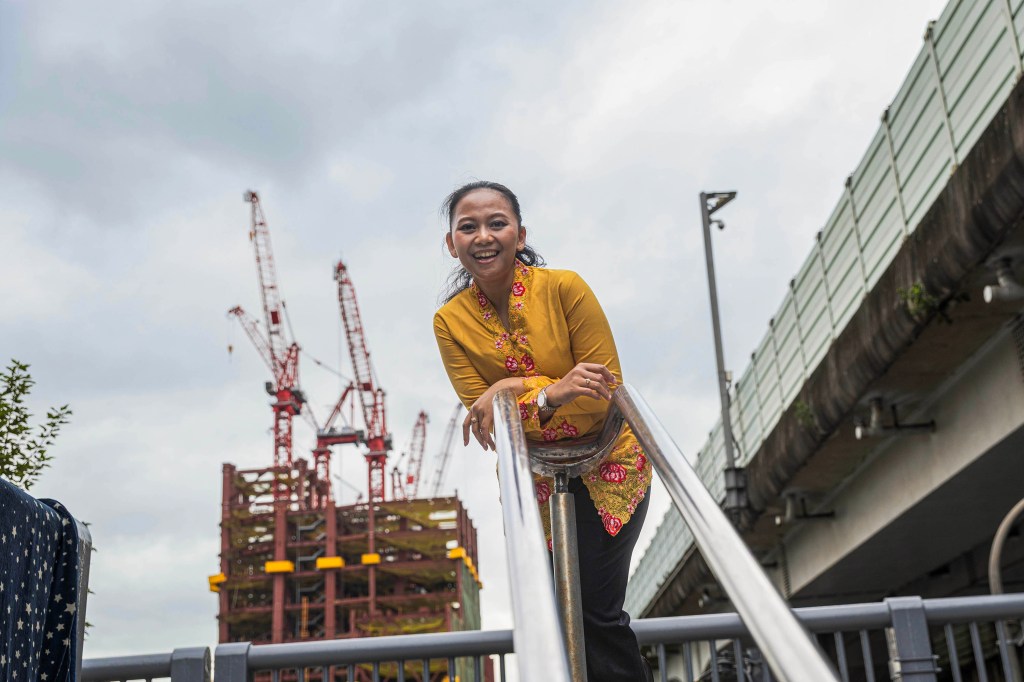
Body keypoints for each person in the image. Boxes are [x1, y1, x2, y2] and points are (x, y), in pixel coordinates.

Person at [432, 180, 653, 681]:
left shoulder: (564, 288)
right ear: (451, 243)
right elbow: (488, 420)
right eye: (468, 227)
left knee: (595, 616)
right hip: (530, 482)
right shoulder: (449, 322)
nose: (483, 236)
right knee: (553, 621)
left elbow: (600, 395)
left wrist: (513, 386)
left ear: (520, 234)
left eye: (497, 223)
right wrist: (553, 391)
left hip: (609, 468)